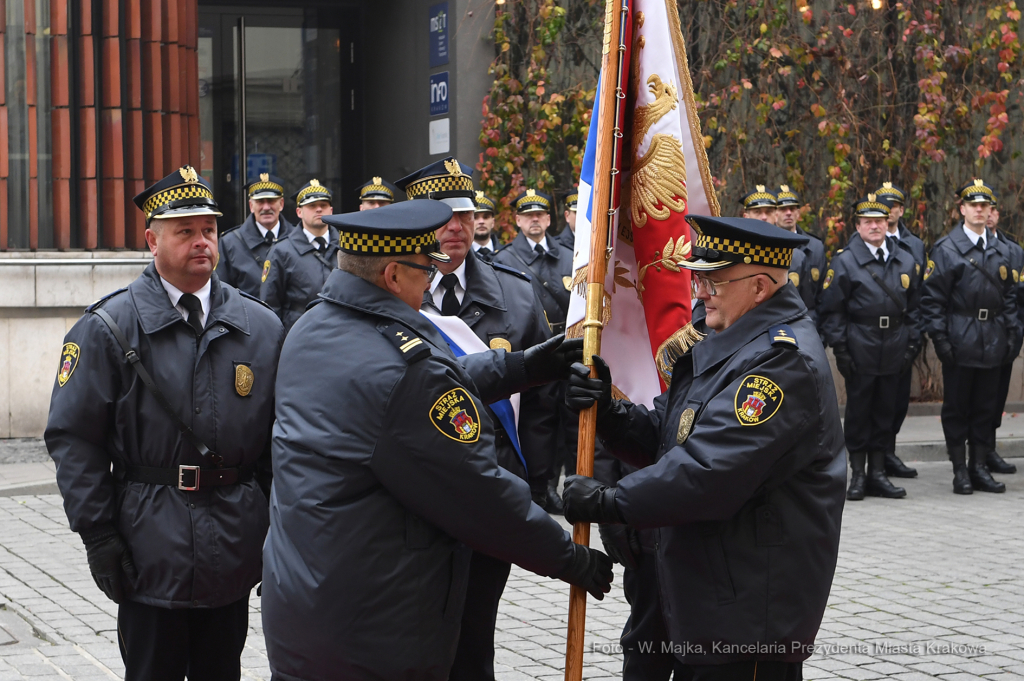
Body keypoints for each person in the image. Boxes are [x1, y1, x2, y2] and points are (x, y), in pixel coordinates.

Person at [261, 199, 613, 681]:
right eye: (426, 269)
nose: (431, 280)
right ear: (391, 275)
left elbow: (405, 389)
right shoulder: (403, 368)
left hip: (308, 604)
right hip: (379, 630)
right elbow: (479, 492)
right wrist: (567, 557)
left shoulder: (313, 328)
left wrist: (522, 367)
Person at [562, 214, 846, 680]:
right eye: (697, 277)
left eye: (714, 280)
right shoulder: (732, 342)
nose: (699, 291)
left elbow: (708, 471)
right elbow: (671, 431)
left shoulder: (781, 363)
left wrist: (609, 501)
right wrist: (610, 414)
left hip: (747, 614)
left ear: (759, 287)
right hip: (710, 592)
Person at [45, 166, 284, 681]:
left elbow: (277, 439)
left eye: (209, 230)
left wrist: (277, 528)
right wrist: (98, 535)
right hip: (150, 546)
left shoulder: (261, 327)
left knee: (223, 670)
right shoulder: (106, 328)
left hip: (233, 544)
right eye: (185, 232)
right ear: (152, 239)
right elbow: (74, 439)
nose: (202, 243)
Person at [399, 158, 563, 680]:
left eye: (466, 215)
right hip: (416, 501)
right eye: (443, 216)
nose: (456, 227)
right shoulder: (391, 286)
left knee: (476, 639)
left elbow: (541, 404)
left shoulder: (514, 291)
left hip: (493, 495)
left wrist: (534, 486)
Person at [819, 195, 921, 500]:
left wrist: (911, 344)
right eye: (868, 222)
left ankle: (878, 473)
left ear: (888, 222)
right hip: (860, 342)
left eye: (880, 221)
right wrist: (842, 350)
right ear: (858, 226)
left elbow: (916, 306)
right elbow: (833, 310)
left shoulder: (904, 258)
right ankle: (859, 474)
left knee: (886, 410)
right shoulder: (845, 260)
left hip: (895, 344)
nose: (875, 226)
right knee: (860, 412)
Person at [920, 179, 1019, 494]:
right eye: (973, 205)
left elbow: (1011, 298)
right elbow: (932, 301)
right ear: (961, 209)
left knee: (986, 407)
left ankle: (979, 468)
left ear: (991, 211)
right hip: (960, 336)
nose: (979, 210)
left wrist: (1012, 333)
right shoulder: (946, 249)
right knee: (958, 407)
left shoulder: (1002, 249)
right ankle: (960, 470)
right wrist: (941, 340)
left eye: (984, 205)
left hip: (993, 337)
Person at [875, 183, 927, 479]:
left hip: (903, 333)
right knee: (873, 402)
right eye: (885, 205)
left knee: (897, 401)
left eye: (894, 205)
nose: (890, 210)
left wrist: (915, 335)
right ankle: (871, 460)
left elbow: (920, 293)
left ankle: (888, 453)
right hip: (872, 337)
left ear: (901, 210)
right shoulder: (870, 238)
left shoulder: (915, 245)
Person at [259, 179, 338, 333]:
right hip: (299, 332)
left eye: (323, 205)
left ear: (331, 210)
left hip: (340, 331)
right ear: (299, 212)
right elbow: (270, 304)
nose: (319, 210)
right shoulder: (281, 251)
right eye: (312, 206)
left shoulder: (346, 247)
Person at [493, 188, 574, 334]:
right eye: (528, 215)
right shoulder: (503, 260)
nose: (535, 219)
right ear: (518, 220)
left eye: (539, 214)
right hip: (529, 344)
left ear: (548, 219)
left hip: (568, 340)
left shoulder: (569, 256)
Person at [986, 201, 1022, 475]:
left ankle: (989, 449)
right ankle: (972, 457)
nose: (987, 213)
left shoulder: (1013, 251)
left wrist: (1015, 331)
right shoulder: (953, 247)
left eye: (992, 209)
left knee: (996, 396)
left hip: (1006, 331)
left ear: (997, 214)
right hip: (972, 334)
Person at [216, 173, 294, 297]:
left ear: (282, 204)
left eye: (271, 201)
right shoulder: (230, 243)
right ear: (251, 206)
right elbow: (221, 292)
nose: (266, 207)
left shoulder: (297, 239)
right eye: (260, 202)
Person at [775, 185, 826, 322]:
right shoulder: (767, 247)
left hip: (810, 323)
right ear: (775, 213)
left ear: (798, 212)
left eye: (792, 209)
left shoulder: (815, 247)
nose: (788, 213)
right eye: (783, 209)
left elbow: (823, 296)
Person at [472, 191, 501, 259]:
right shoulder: (462, 256)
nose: (481, 221)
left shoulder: (507, 254)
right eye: (475, 217)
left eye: (486, 217)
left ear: (493, 222)